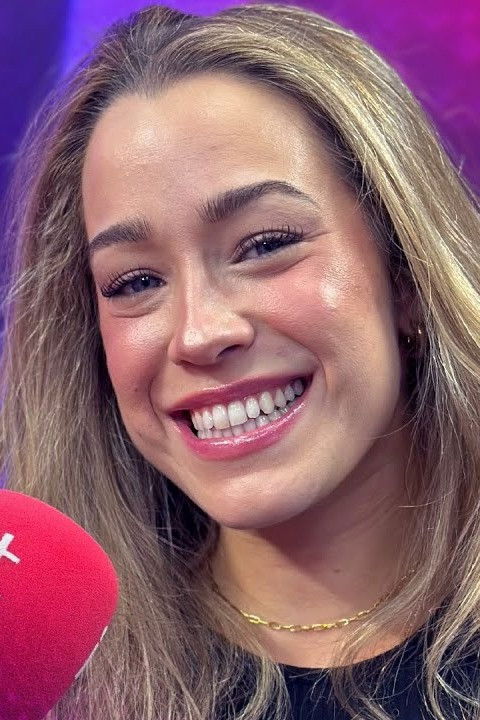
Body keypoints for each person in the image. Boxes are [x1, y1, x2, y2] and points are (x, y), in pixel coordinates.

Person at [0, 3, 479, 719]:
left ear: (404, 273)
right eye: (135, 282)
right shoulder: (62, 687)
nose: (199, 333)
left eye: (265, 245)